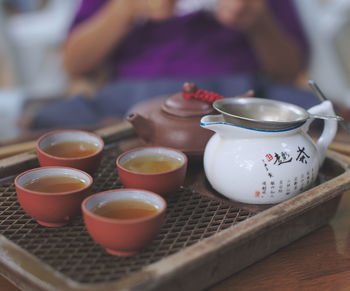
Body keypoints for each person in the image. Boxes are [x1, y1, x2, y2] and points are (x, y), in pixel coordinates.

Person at [29, 0, 318, 129]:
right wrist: (125, 8)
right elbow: (74, 64)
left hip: (241, 97)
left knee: (317, 117)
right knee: (48, 125)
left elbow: (291, 69)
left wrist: (258, 20)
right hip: (131, 100)